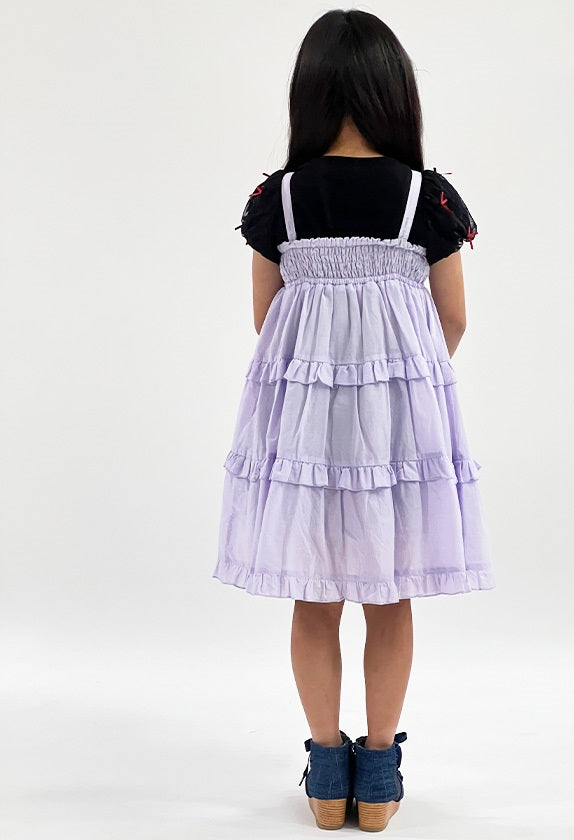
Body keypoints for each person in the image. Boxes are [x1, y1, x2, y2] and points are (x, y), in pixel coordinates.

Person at [212, 8, 495, 831]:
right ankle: (378, 780)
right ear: (394, 91)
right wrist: (397, 381)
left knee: (314, 596)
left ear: (308, 93)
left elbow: (266, 320)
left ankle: (326, 779)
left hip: (305, 432)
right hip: (399, 428)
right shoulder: (425, 197)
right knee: (390, 595)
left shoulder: (278, 199)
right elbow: (454, 318)